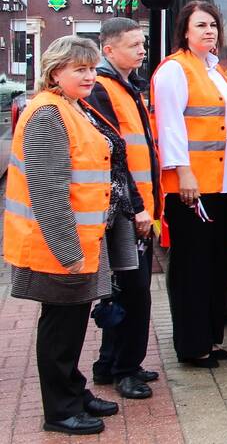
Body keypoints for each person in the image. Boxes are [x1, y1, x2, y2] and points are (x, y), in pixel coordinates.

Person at [6, 37, 122, 434]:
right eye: (80, 69)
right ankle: (60, 410)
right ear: (56, 72)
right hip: (58, 246)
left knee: (73, 324)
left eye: (92, 68)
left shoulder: (71, 108)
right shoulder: (47, 115)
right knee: (61, 329)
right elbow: (47, 189)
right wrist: (67, 249)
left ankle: (73, 390)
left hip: (79, 242)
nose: (90, 75)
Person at [151, 1, 227, 368]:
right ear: (185, 31)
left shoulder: (215, 71)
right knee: (192, 268)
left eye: (213, 25)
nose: (209, 31)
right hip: (192, 188)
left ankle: (210, 336)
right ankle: (192, 345)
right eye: (201, 25)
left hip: (220, 186)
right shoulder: (175, 69)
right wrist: (183, 172)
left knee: (217, 265)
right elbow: (170, 124)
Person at [86, 19, 159, 400]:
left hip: (133, 209)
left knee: (126, 290)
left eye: (143, 44)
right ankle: (124, 368)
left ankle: (110, 362)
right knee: (132, 292)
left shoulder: (126, 87)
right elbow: (116, 156)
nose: (142, 50)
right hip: (125, 213)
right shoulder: (104, 89)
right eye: (134, 45)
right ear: (109, 50)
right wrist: (138, 208)